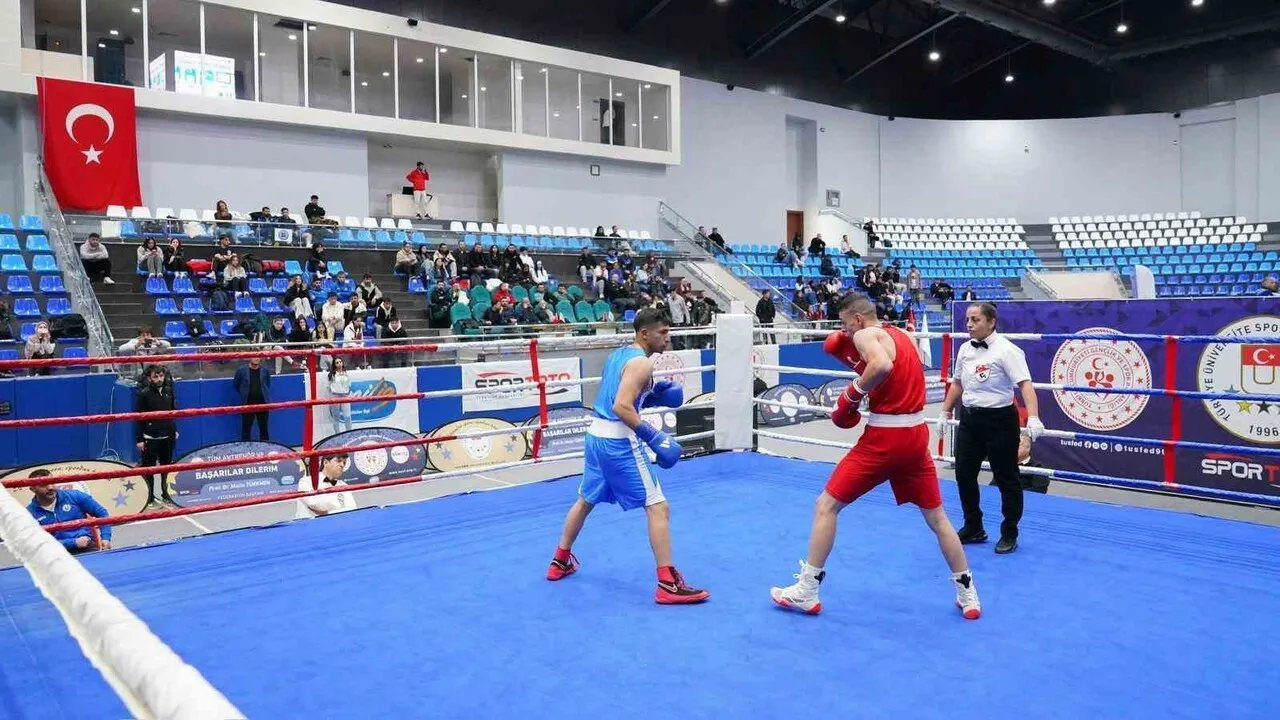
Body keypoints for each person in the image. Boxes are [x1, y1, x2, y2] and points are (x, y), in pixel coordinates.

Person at [771, 294, 981, 619]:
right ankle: (968, 594)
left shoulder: (865, 334)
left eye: (844, 324)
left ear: (856, 319)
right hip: (915, 436)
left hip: (886, 438)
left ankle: (807, 590)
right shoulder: (905, 336)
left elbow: (881, 365)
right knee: (938, 519)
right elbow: (897, 374)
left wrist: (853, 393)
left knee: (826, 506)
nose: (843, 332)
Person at [545, 308, 708, 604]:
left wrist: (650, 395)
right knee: (658, 506)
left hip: (596, 437)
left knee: (585, 501)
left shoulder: (619, 354)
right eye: (662, 332)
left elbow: (614, 396)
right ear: (644, 334)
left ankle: (560, 561)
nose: (667, 338)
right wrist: (654, 436)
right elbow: (621, 406)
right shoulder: (642, 364)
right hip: (619, 444)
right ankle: (668, 584)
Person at [939, 302, 1044, 554]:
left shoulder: (1008, 350)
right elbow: (957, 383)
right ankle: (973, 526)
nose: (969, 325)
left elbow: (1025, 385)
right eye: (967, 320)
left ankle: (1009, 532)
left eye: (975, 320)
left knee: (1007, 477)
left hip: (1000, 420)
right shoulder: (965, 349)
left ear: (991, 322)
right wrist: (944, 411)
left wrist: (1033, 417)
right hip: (970, 419)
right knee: (964, 474)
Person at [26, 469, 112, 552]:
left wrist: (105, 538)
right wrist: (72, 543)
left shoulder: (74, 496)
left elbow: (102, 513)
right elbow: (36, 542)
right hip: (54, 552)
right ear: (32, 489)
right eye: (43, 485)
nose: (50, 487)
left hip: (85, 547)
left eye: (52, 482)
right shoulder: (29, 513)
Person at [135, 364, 177, 507]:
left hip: (167, 436)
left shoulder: (169, 391)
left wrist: (174, 429)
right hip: (150, 438)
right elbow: (139, 417)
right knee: (149, 469)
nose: (159, 379)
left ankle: (166, 494)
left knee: (166, 467)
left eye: (161, 376)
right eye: (155, 376)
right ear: (149, 378)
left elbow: (172, 412)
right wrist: (139, 439)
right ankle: (150, 497)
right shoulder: (143, 394)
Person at [296, 454, 357, 518]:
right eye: (338, 461)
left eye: (344, 463)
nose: (342, 465)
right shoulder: (306, 481)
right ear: (325, 462)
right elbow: (314, 503)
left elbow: (352, 507)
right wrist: (340, 505)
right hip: (309, 526)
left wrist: (328, 512)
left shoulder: (344, 485)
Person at [233, 357, 272, 441]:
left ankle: (265, 449)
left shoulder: (265, 370)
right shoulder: (241, 370)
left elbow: (267, 384)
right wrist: (244, 393)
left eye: (258, 357)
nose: (256, 359)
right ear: (249, 358)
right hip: (247, 403)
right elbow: (236, 384)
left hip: (262, 403)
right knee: (246, 430)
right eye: (254, 356)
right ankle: (247, 450)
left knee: (264, 429)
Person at [327, 357, 353, 433]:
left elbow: (349, 384)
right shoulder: (332, 374)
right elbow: (328, 386)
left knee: (347, 416)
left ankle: (349, 434)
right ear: (334, 365)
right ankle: (337, 435)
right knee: (336, 417)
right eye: (337, 362)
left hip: (345, 396)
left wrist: (346, 392)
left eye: (340, 362)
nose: (339, 364)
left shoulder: (347, 373)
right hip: (335, 396)